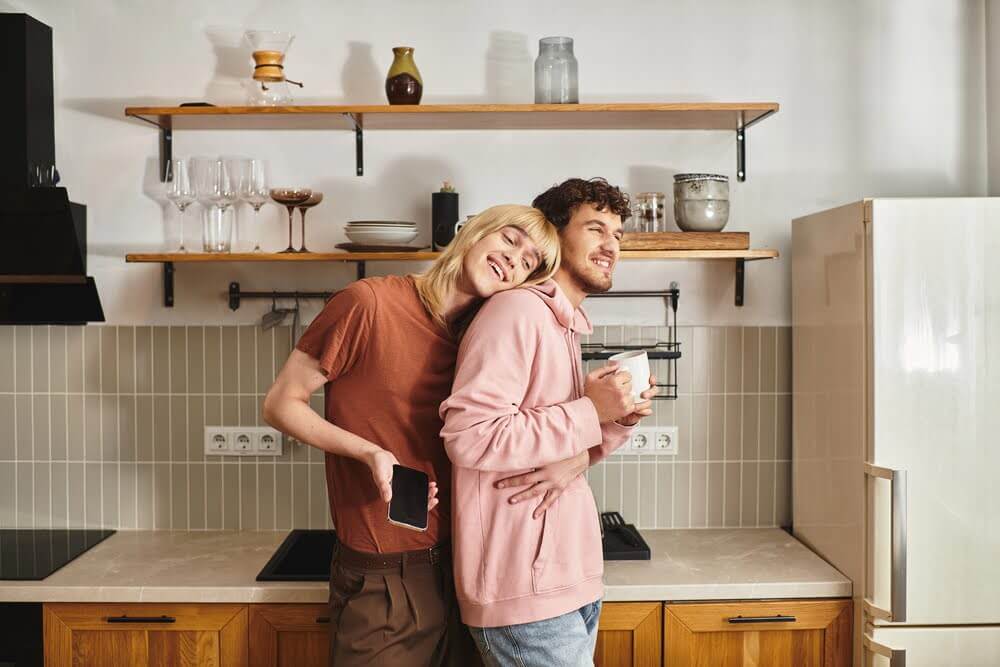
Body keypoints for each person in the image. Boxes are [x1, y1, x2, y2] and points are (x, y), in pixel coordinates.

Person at [262, 204, 561, 666]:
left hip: (468, 569)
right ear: (475, 232)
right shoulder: (369, 303)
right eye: (510, 239)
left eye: (528, 263)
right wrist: (370, 453)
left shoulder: (483, 338)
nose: (513, 259)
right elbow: (281, 403)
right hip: (384, 578)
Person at [440, 178, 657, 667]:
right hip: (523, 592)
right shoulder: (516, 311)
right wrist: (590, 411)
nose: (611, 246)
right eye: (596, 229)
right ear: (554, 237)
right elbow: (470, 436)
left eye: (618, 236)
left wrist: (615, 419)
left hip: (569, 580)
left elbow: (552, 446)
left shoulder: (562, 325)